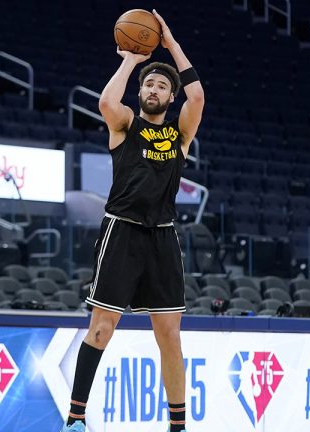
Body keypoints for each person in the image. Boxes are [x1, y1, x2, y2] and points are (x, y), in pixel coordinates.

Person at [60, 9, 204, 432]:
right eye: (149, 83)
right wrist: (131, 60)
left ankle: (177, 426)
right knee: (101, 328)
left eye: (162, 85)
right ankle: (75, 420)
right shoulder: (124, 125)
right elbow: (106, 101)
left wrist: (171, 45)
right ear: (140, 92)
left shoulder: (180, 135)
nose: (154, 88)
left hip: (162, 237)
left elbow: (198, 98)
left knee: (170, 336)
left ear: (169, 96)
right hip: (121, 231)